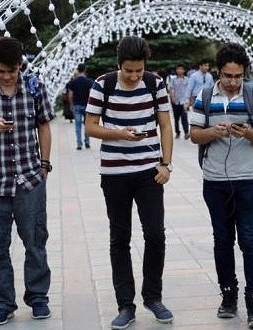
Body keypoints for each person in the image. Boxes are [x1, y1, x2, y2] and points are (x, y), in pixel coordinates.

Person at [84, 35, 174, 330]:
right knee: (119, 240)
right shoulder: (103, 84)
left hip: (149, 172)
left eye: (139, 70)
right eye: (129, 71)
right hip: (114, 175)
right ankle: (125, 305)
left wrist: (166, 164)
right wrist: (120, 134)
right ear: (118, 64)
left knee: (156, 234)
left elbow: (165, 125)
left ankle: (153, 297)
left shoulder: (154, 83)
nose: (134, 76)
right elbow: (90, 127)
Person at [0, 36, 55, 326]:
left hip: (30, 179)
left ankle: (38, 298)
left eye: (11, 71)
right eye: (0, 71)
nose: (5, 76)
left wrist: (44, 164)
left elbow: (44, 125)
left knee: (35, 241)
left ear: (20, 65)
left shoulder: (33, 87)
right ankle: (3, 303)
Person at [189, 42, 253, 329]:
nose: (234, 82)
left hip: (247, 179)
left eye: (238, 76)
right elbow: (195, 135)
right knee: (222, 240)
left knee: (250, 241)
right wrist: (213, 131)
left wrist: (248, 132)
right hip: (214, 181)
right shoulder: (205, 95)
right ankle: (228, 296)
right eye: (228, 76)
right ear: (218, 73)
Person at [67, 63, 93, 149]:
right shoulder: (89, 81)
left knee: (77, 126)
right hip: (86, 106)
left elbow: (70, 94)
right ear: (85, 70)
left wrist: (71, 104)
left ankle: (79, 144)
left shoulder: (73, 82)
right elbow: (91, 94)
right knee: (87, 124)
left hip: (76, 105)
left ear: (78, 70)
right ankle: (87, 142)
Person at [169, 63, 190, 139]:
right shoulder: (173, 79)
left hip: (184, 102)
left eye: (181, 69)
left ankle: (186, 132)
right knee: (176, 118)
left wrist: (188, 102)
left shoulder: (187, 79)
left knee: (184, 117)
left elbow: (189, 90)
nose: (179, 70)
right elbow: (171, 89)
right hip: (175, 101)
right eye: (178, 69)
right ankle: (177, 132)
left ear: (184, 70)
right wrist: (172, 98)